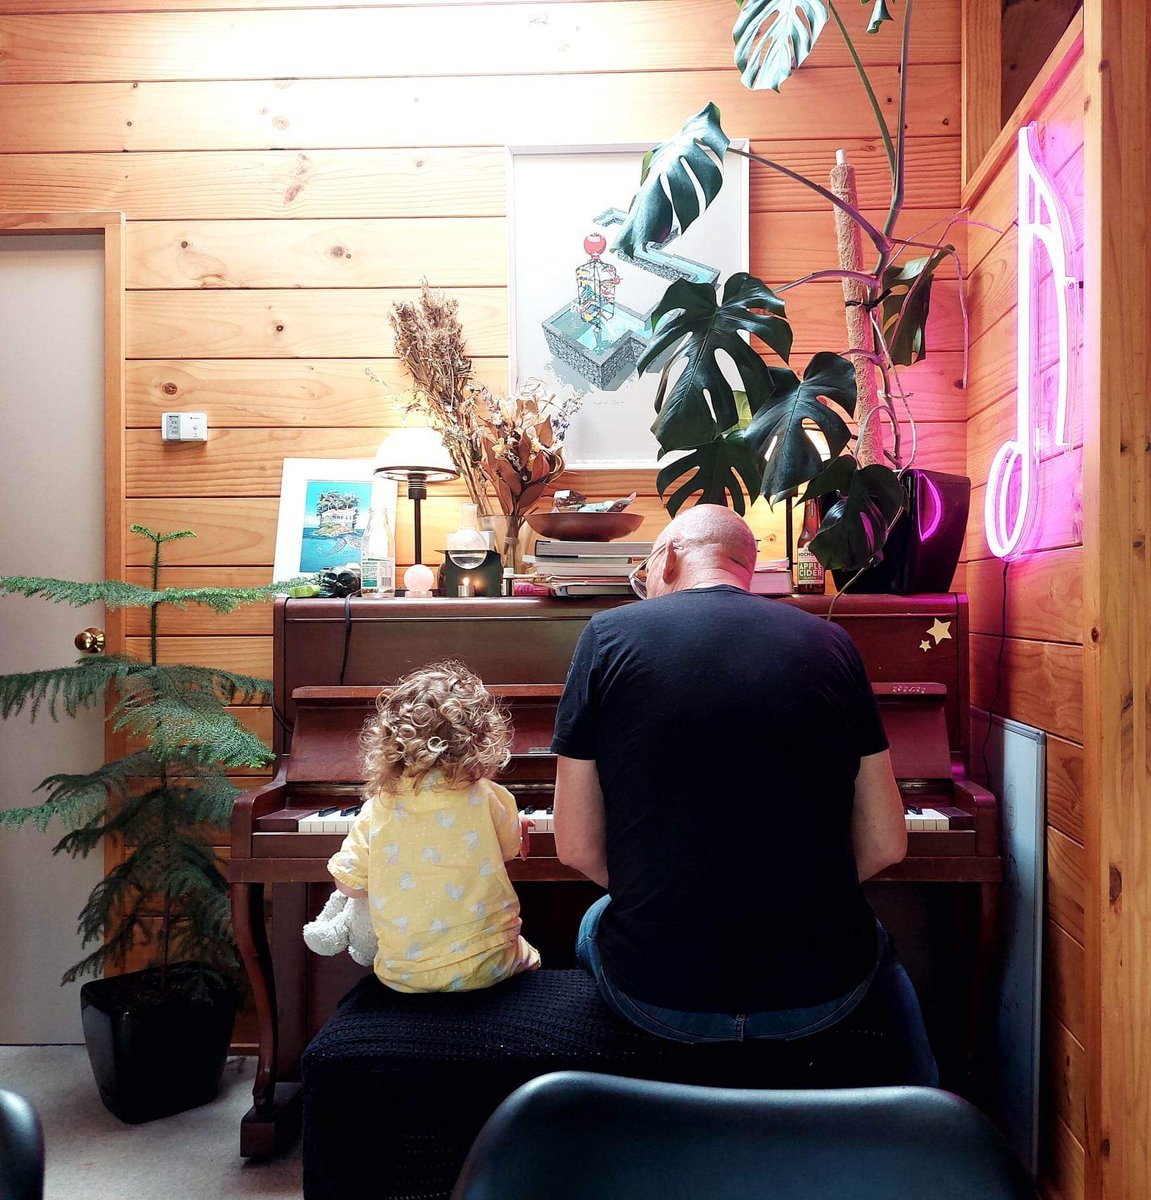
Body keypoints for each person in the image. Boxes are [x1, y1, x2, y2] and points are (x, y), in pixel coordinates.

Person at [551, 504, 936, 1080]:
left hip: (658, 999)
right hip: (820, 995)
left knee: (591, 922)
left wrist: (670, 887)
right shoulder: (832, 643)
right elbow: (887, 844)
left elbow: (575, 847)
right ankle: (925, 1100)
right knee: (875, 939)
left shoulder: (606, 635)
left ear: (670, 557)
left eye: (644, 579)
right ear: (745, 571)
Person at [327, 661, 540, 993]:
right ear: (482, 740)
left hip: (403, 977)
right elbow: (510, 847)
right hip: (490, 967)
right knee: (527, 951)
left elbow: (348, 886)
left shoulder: (378, 807)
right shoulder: (489, 797)